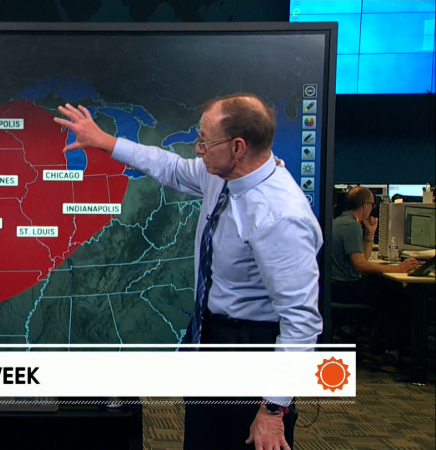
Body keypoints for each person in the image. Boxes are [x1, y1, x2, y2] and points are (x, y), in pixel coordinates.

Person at [54, 94, 322, 450]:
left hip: (253, 351)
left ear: (237, 147)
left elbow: (301, 321)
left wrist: (274, 408)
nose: (198, 149)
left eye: (205, 141)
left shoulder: (280, 217)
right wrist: (105, 141)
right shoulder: (222, 176)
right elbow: (170, 167)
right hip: (210, 339)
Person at [330, 186, 418, 367]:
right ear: (365, 206)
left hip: (335, 285)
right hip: (344, 287)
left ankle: (380, 342)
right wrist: (398, 268)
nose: (372, 208)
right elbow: (360, 265)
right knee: (396, 295)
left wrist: (370, 232)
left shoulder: (341, 222)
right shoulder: (351, 226)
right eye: (372, 204)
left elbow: (363, 257)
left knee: (386, 287)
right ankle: (389, 348)